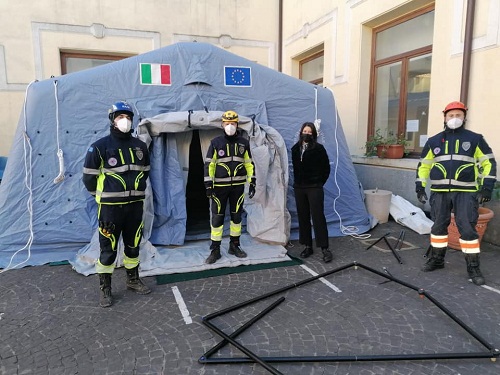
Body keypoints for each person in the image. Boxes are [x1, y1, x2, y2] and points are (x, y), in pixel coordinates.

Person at [416, 101, 497, 285]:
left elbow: (489, 163)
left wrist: (487, 187)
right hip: (439, 192)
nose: (454, 119)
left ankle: (473, 267)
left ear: (464, 117)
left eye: (458, 115)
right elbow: (423, 166)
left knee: (467, 229)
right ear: (444, 117)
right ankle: (437, 260)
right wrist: (420, 187)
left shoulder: (475, 139)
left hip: (466, 193)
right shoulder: (433, 141)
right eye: (451, 115)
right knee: (438, 228)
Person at [82, 101, 152, 307]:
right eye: (120, 117)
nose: (125, 121)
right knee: (108, 249)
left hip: (135, 207)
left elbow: (145, 172)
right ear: (112, 120)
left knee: (133, 245)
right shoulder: (99, 146)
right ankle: (106, 288)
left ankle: (132, 280)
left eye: (128, 117)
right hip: (110, 210)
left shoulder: (140, 146)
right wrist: (103, 197)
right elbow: (88, 178)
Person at [204, 110, 256, 264]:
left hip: (238, 188)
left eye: (233, 123)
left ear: (237, 124)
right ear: (222, 124)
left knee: (236, 217)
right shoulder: (215, 142)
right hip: (219, 188)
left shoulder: (244, 143)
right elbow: (209, 165)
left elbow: (249, 164)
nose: (230, 126)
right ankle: (215, 250)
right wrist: (208, 184)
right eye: (227, 123)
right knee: (217, 218)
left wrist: (252, 182)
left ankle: (234, 245)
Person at [291, 122, 332, 263]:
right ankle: (308, 246)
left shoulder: (319, 149)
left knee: (318, 217)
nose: (306, 134)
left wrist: (318, 183)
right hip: (299, 188)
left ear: (313, 134)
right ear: (300, 132)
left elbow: (326, 168)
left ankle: (324, 248)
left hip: (314, 187)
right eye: (305, 131)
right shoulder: (295, 149)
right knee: (303, 217)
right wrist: (297, 184)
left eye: (309, 132)